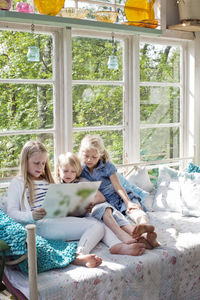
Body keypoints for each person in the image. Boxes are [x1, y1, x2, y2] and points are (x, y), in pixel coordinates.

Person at [7, 140, 105, 268]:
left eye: (43, 163)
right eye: (36, 163)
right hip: (40, 224)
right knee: (97, 226)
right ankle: (78, 255)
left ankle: (83, 254)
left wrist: (81, 207)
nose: (40, 167)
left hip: (55, 220)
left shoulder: (46, 180)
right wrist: (32, 215)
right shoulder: (18, 182)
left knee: (98, 225)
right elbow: (11, 213)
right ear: (25, 161)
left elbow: (59, 206)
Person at [56, 152, 155, 251]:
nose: (69, 174)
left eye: (73, 172)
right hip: (76, 218)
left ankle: (135, 233)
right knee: (102, 218)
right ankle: (122, 236)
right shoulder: (55, 188)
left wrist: (90, 202)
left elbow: (101, 197)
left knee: (107, 208)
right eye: (65, 171)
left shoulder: (82, 181)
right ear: (58, 170)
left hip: (88, 211)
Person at [78, 134, 160, 248]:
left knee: (134, 210)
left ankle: (144, 225)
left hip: (120, 196)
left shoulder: (107, 166)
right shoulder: (81, 169)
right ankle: (148, 240)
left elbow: (118, 186)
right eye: (86, 156)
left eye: (94, 157)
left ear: (100, 154)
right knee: (118, 220)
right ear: (81, 153)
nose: (89, 160)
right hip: (106, 202)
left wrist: (128, 202)